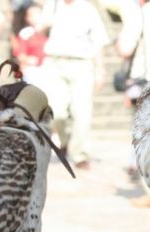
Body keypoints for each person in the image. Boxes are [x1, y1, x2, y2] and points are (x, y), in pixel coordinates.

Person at [36, 0, 110, 170]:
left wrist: (101, 71)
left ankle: (80, 155)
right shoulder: (52, 5)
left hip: (82, 64)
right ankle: (64, 140)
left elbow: (99, 42)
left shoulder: (88, 9)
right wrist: (47, 22)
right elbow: (39, 29)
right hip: (55, 62)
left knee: (82, 111)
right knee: (56, 111)